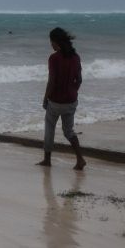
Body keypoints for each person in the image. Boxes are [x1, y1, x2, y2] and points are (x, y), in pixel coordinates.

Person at [38, 27, 87, 170]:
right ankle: (80, 158)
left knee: (49, 128)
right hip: (71, 101)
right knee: (69, 131)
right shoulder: (75, 57)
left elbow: (51, 81)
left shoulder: (54, 58)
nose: (51, 45)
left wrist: (45, 98)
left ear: (56, 42)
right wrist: (73, 92)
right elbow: (79, 80)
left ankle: (47, 160)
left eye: (51, 42)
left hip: (55, 101)